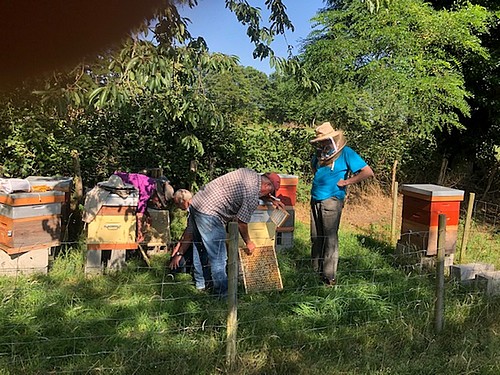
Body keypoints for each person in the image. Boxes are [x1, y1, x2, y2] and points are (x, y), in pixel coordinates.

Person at [189, 168, 282, 298]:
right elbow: (241, 222)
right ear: (266, 185)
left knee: (200, 246)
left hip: (196, 203)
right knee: (219, 257)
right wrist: (248, 242)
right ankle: (222, 295)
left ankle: (201, 284)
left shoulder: (249, 174)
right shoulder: (251, 195)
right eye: (271, 191)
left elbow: (257, 191)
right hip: (210, 213)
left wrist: (270, 198)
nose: (269, 193)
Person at [309, 122, 374, 286]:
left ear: (332, 138)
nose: (321, 143)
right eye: (320, 140)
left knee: (330, 238)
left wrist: (346, 182)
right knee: (316, 238)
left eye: (324, 140)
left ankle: (329, 277)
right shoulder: (320, 154)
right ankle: (314, 273)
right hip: (315, 199)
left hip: (332, 200)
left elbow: (367, 171)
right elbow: (315, 170)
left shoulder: (346, 153)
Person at [113, 171, 174, 243]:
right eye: (159, 201)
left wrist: (148, 215)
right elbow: (139, 214)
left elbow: (141, 206)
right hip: (116, 183)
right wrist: (140, 233)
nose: (159, 204)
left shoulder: (150, 184)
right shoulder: (147, 190)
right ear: (158, 195)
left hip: (117, 180)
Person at [169, 189, 207, 290]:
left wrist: (178, 254)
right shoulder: (193, 208)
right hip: (203, 239)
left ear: (185, 201)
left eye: (178, 204)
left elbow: (189, 235)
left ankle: (200, 284)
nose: (177, 207)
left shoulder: (195, 210)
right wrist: (178, 246)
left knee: (182, 260)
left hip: (203, 242)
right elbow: (188, 230)